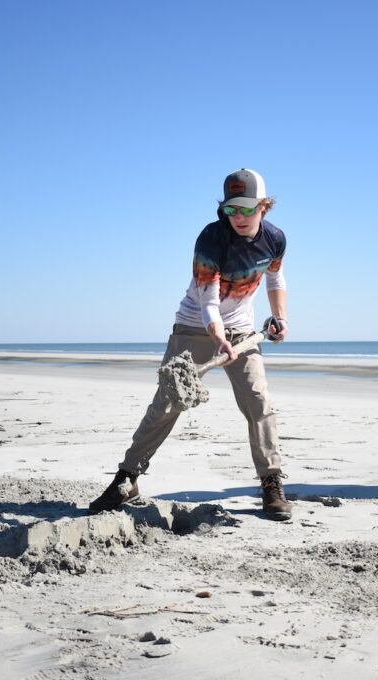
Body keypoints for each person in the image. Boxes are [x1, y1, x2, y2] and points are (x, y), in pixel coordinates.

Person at [89, 168, 293, 520]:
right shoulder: (211, 240)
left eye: (247, 209)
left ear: (264, 206)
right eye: (232, 210)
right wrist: (218, 339)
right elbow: (208, 302)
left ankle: (271, 483)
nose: (239, 218)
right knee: (167, 402)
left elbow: (275, 277)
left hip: (243, 331)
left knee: (259, 402)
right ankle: (128, 478)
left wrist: (280, 317)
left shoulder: (275, 239)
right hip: (195, 326)